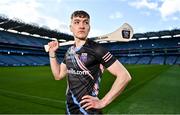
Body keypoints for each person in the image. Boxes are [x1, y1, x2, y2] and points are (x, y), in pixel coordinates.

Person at [47, 10, 131, 114]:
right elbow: (58, 75)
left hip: (89, 111)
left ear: (89, 28)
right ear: (71, 28)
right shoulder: (69, 51)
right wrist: (52, 53)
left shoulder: (97, 49)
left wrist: (103, 102)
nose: (81, 26)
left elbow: (124, 76)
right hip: (70, 110)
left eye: (85, 22)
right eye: (77, 22)